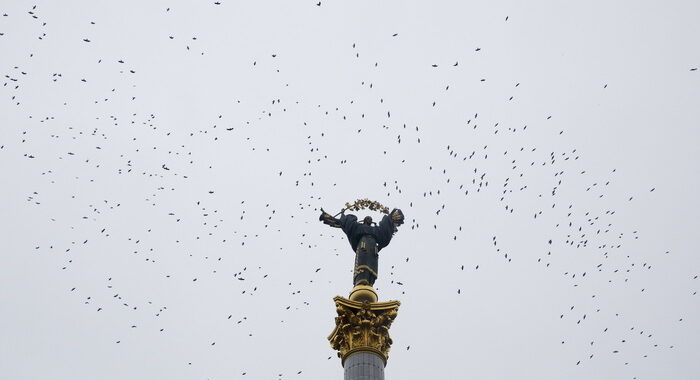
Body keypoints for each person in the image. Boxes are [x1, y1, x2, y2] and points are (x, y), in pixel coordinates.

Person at [320, 208, 404, 286]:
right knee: (363, 260)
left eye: (370, 219)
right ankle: (361, 279)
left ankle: (370, 280)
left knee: (372, 263)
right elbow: (346, 224)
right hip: (363, 244)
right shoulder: (358, 227)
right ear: (364, 220)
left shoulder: (376, 230)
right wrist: (342, 216)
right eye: (368, 218)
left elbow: (385, 231)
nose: (369, 220)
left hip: (373, 247)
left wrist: (390, 219)